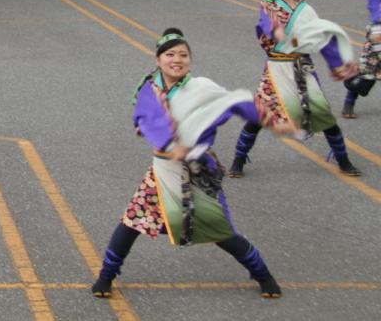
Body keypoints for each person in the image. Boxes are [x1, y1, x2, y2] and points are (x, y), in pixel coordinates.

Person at [91, 27, 282, 300]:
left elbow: (231, 102)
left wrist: (265, 116)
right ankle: (105, 277)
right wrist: (169, 142)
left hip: (197, 169)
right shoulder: (149, 89)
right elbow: (146, 120)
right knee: (131, 223)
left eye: (183, 55)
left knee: (221, 232)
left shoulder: (201, 87)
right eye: (170, 54)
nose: (176, 60)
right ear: (158, 59)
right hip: (162, 170)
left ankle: (263, 275)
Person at [229, 0, 361, 177]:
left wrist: (339, 63)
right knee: (260, 117)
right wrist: (275, 30)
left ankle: (343, 160)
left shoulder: (306, 10)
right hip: (277, 69)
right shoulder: (269, 6)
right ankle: (239, 159)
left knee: (324, 116)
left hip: (302, 68)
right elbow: (266, 24)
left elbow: (322, 38)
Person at [342, 0, 381, 118]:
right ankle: (349, 103)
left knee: (368, 69)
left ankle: (349, 103)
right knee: (367, 70)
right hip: (379, 27)